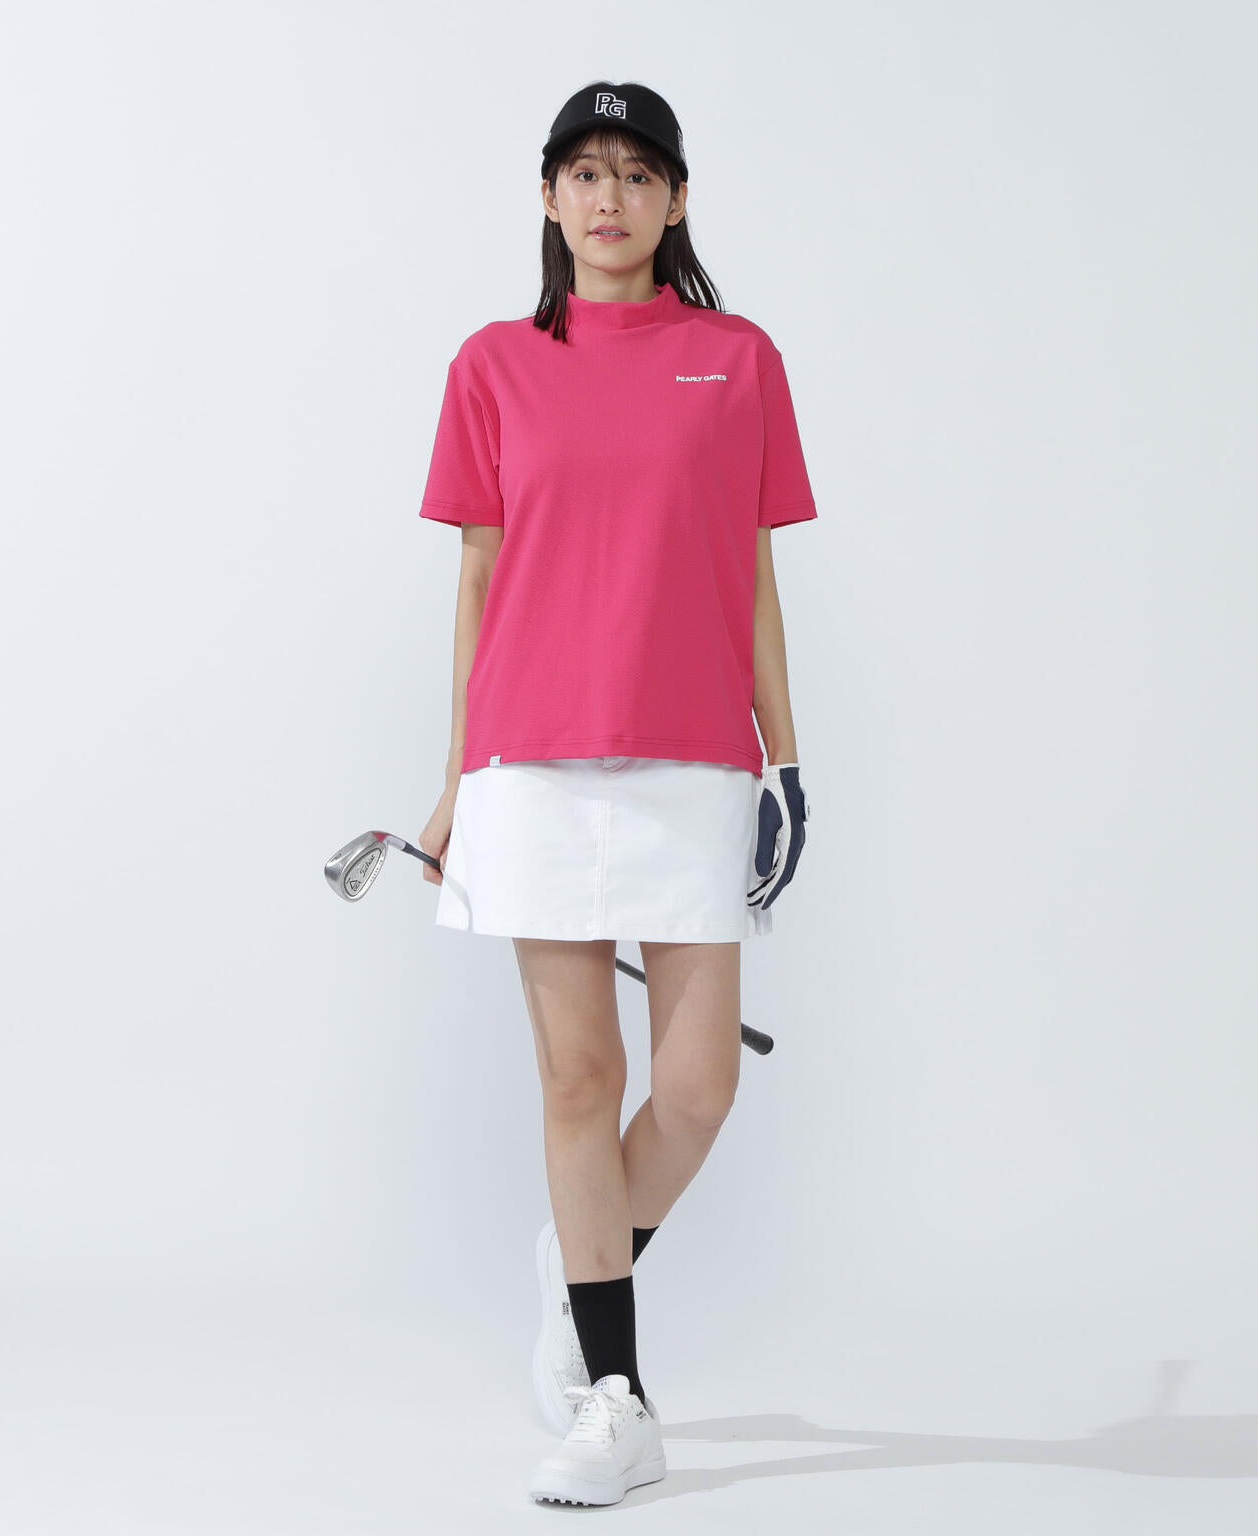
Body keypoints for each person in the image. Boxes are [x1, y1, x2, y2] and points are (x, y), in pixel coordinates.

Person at [415, 79, 817, 1507]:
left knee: (698, 1089)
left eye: (638, 174)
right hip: (529, 759)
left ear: (677, 200)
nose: (609, 198)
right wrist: (454, 780)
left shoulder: (738, 359)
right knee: (580, 1079)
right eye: (584, 173)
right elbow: (477, 580)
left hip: (693, 756)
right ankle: (617, 1397)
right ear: (548, 197)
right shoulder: (492, 365)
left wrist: (785, 759)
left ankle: (586, 1260)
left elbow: (753, 574)